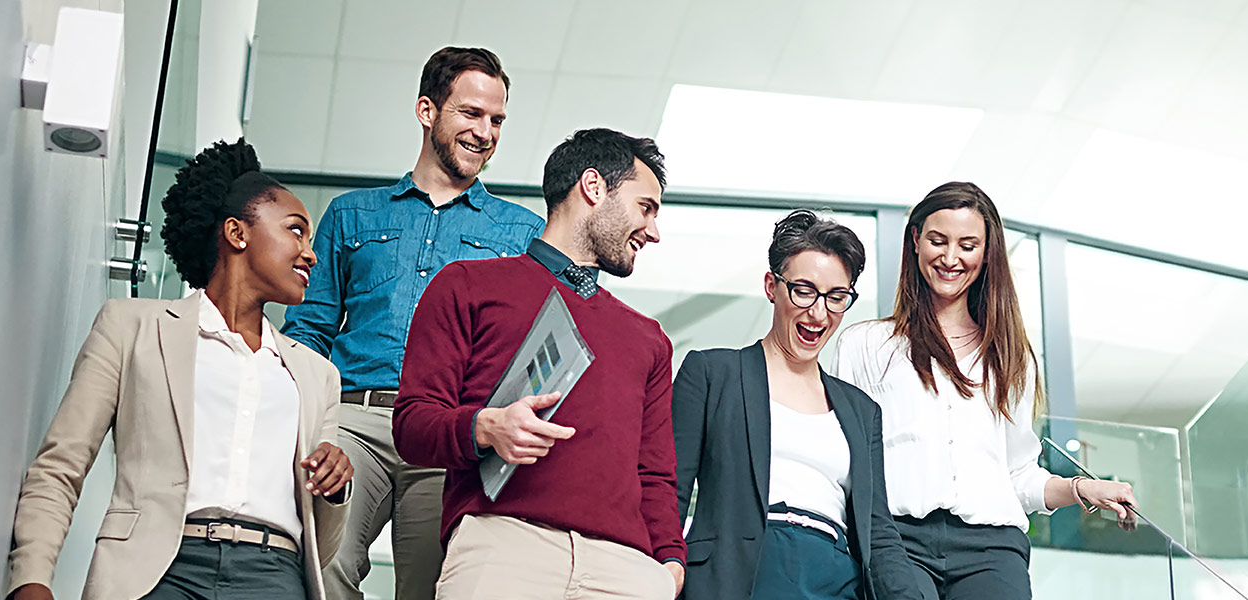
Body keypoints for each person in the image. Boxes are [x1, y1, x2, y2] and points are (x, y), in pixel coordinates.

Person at [4, 139, 352, 600]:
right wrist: (30, 580)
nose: (310, 254)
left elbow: (321, 547)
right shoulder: (130, 328)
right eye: (296, 231)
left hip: (274, 575)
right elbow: (60, 465)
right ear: (237, 233)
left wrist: (334, 490)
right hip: (156, 570)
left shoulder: (316, 374)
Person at [280, 46, 544, 600]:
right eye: (470, 113)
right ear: (427, 111)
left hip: (450, 432)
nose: (486, 131)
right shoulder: (353, 214)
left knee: (434, 589)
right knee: (319, 567)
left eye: (497, 120)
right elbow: (309, 330)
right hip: (355, 420)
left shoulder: (521, 232)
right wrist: (306, 422)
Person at [392, 128, 686, 599]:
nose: (653, 231)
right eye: (645, 207)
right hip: (503, 547)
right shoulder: (466, 286)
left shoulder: (648, 339)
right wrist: (486, 428)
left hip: (626, 570)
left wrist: (670, 561)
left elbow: (654, 473)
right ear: (593, 187)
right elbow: (411, 425)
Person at [833, 182, 1139, 600]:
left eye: (968, 244)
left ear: (987, 252)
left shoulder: (1012, 358)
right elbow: (847, 464)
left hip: (992, 550)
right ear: (915, 241)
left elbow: (1018, 475)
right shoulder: (865, 346)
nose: (950, 257)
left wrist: (1079, 489)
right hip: (898, 543)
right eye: (938, 241)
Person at [672, 210, 927, 600]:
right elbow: (668, 491)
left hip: (833, 575)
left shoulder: (861, 410)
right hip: (739, 575)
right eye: (803, 290)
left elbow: (878, 530)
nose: (819, 312)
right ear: (772, 286)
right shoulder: (712, 373)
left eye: (836, 297)